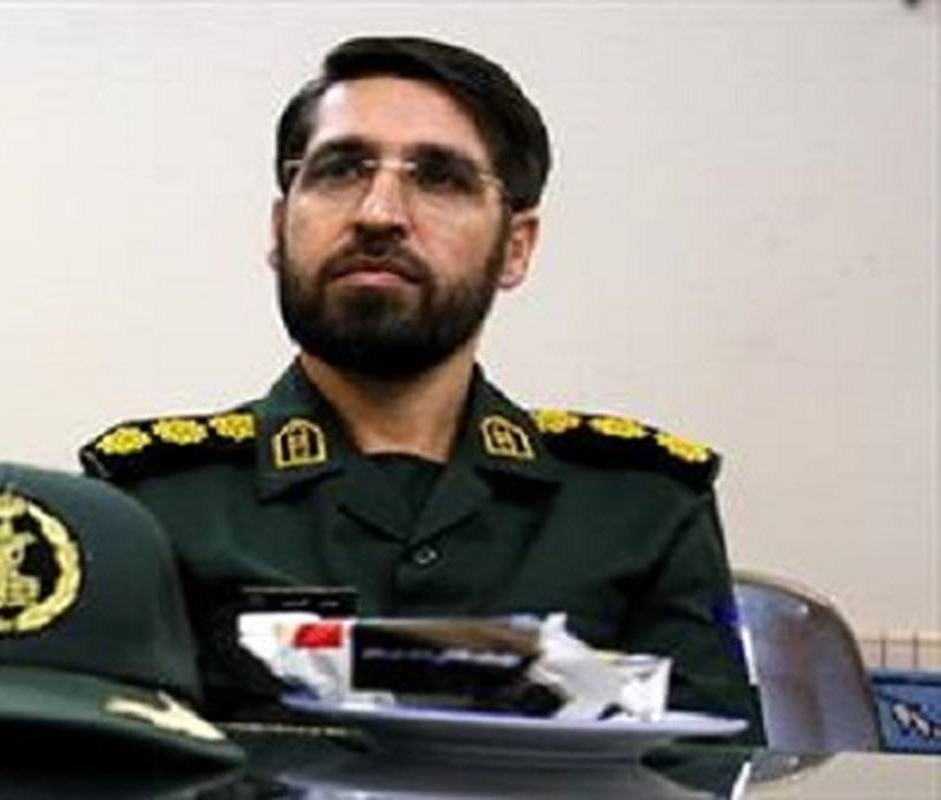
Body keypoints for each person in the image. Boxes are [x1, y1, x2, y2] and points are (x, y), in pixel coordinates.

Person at [80, 35, 764, 741]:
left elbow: (705, 766)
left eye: (440, 178)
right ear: (280, 228)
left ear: (516, 247)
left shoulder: (639, 506)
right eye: (340, 170)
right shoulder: (148, 503)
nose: (379, 213)